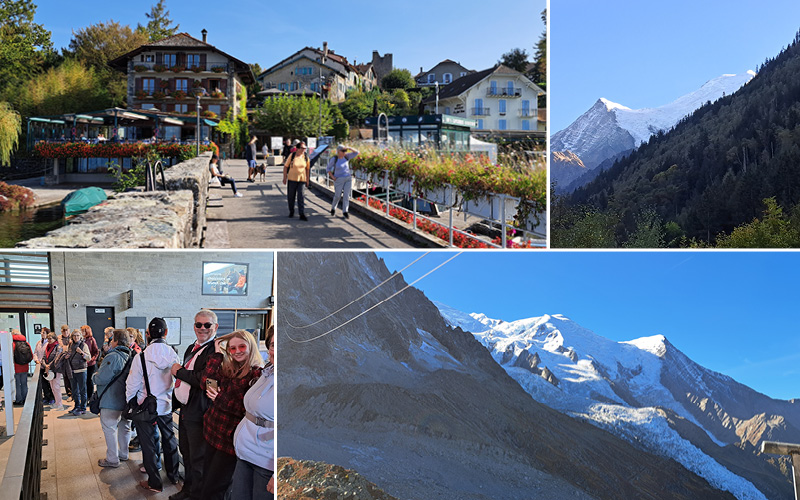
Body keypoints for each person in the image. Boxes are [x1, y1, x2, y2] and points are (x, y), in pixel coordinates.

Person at [200, 330, 264, 499]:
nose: (237, 352)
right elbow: (205, 382)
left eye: (242, 346)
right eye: (232, 348)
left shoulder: (257, 374)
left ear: (251, 347)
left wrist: (219, 397)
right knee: (207, 482)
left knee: (214, 489)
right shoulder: (229, 368)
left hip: (229, 442)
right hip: (212, 434)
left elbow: (247, 410)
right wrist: (217, 354)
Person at [126, 318, 181, 493]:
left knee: (149, 443)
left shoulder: (141, 356)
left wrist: (131, 402)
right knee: (169, 439)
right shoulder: (173, 354)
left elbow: (132, 384)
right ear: (166, 333)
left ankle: (155, 483)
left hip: (145, 405)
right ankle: (173, 475)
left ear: (148, 334)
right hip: (165, 405)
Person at [169, 310, 218, 500]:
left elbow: (207, 381)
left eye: (207, 325)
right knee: (187, 453)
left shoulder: (216, 350)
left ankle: (196, 495)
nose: (203, 328)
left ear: (216, 327)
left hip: (200, 412)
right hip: (186, 409)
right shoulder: (192, 347)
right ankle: (188, 491)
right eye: (199, 325)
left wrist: (178, 372)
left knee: (198, 458)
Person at [229, 327, 274, 499]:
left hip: (266, 460)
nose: (275, 351)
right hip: (246, 452)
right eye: (272, 345)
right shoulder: (268, 373)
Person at [95, 329, 133, 468]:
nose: (110, 342)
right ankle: (123, 453)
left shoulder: (113, 356)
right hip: (127, 399)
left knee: (109, 427)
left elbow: (102, 378)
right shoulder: (132, 355)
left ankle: (112, 459)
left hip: (111, 399)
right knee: (125, 426)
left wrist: (94, 376)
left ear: (116, 341)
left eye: (112, 339)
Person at [327, 144, 360, 219]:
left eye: (345, 150)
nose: (345, 152)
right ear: (338, 151)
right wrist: (333, 177)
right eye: (343, 151)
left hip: (347, 178)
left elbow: (357, 152)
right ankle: (333, 208)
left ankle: (345, 211)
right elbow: (328, 169)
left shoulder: (346, 156)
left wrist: (349, 148)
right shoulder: (334, 159)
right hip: (338, 179)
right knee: (337, 195)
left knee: (346, 195)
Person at [282, 141, 311, 221]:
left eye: (305, 148)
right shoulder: (292, 155)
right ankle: (291, 211)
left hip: (302, 179)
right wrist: (285, 178)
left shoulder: (306, 157)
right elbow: (285, 167)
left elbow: (307, 169)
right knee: (291, 197)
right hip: (292, 179)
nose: (304, 150)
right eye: (302, 148)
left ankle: (301, 214)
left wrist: (307, 180)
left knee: (301, 196)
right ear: (297, 148)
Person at [66, 328, 91, 415]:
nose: (76, 337)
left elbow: (89, 358)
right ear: (72, 337)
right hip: (72, 370)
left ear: (80, 337)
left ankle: (83, 408)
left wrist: (81, 353)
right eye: (74, 335)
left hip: (81, 370)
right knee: (74, 390)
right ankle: (76, 406)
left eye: (78, 335)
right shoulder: (70, 345)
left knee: (82, 390)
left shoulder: (84, 345)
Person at [42, 332, 65, 410]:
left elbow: (57, 358)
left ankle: (60, 404)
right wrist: (45, 365)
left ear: (55, 339)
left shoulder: (58, 347)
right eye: (47, 338)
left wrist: (49, 366)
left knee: (56, 387)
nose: (48, 340)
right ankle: (56, 402)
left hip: (56, 369)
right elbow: (44, 357)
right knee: (52, 387)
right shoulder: (47, 347)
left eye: (50, 338)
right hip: (49, 369)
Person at [33, 327, 56, 404]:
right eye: (41, 332)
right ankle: (46, 396)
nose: (42, 334)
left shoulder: (48, 343)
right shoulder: (38, 342)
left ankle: (52, 397)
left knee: (50, 383)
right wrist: (36, 360)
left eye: (43, 332)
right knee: (43, 383)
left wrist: (46, 364)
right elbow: (35, 352)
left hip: (47, 366)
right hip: (40, 365)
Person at [11, 329, 32, 406]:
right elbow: (31, 356)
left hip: (15, 368)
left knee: (17, 384)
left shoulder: (11, 344)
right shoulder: (26, 343)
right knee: (24, 383)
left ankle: (18, 400)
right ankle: (25, 399)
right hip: (24, 367)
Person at [81, 325, 100, 400]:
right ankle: (84, 397)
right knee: (83, 381)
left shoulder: (92, 340)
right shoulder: (81, 339)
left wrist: (92, 359)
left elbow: (96, 352)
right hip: (82, 363)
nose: (82, 332)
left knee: (89, 380)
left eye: (83, 330)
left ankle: (90, 397)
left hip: (90, 364)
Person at [59, 324, 72, 400]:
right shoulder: (59, 338)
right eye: (63, 331)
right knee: (66, 377)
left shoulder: (73, 337)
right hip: (63, 360)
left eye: (66, 330)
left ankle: (74, 393)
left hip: (72, 360)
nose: (65, 332)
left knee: (72, 377)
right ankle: (69, 393)